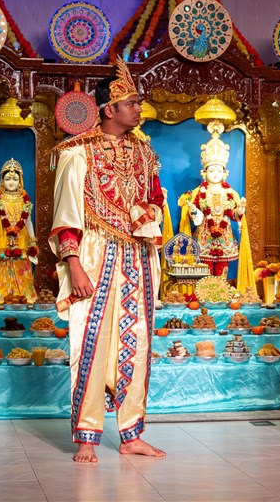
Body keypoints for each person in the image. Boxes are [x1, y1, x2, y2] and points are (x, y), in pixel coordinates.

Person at [49, 56, 166, 463]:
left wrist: (149, 213)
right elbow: (66, 214)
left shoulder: (144, 151)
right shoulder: (76, 152)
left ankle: (132, 434)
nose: (139, 109)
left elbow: (155, 196)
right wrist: (74, 264)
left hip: (137, 255)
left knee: (138, 342)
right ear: (109, 109)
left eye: (139, 102)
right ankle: (86, 436)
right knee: (91, 342)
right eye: (132, 103)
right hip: (94, 254)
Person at [186, 121, 247, 277]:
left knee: (222, 273)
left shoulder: (229, 192)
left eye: (219, 170)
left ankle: (222, 291)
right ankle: (205, 291)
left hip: (224, 236)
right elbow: (196, 214)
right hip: (204, 235)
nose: (215, 174)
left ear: (224, 173)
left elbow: (232, 214)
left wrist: (239, 210)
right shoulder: (200, 191)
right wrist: (193, 211)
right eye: (211, 170)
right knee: (204, 273)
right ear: (204, 173)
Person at [0, 159, 38, 300]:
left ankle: (23, 295)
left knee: (20, 264)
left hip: (20, 239)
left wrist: (32, 240)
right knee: (0, 265)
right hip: (1, 239)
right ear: (2, 181)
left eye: (15, 179)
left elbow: (28, 221)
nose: (11, 182)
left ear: (20, 181)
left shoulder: (25, 200)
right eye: (8, 179)